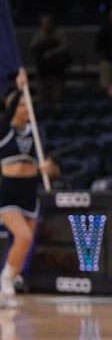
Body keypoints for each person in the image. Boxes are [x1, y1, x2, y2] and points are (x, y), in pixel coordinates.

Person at [0, 69, 57, 307]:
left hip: (29, 191)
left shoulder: (36, 133)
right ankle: (4, 280)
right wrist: (20, 86)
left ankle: (10, 281)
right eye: (21, 104)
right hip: (8, 191)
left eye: (27, 105)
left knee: (26, 242)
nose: (25, 108)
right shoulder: (4, 131)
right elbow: (10, 111)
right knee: (22, 236)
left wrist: (49, 167)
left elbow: (53, 167)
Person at [30, 13, 71, 103]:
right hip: (43, 71)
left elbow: (65, 47)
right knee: (43, 97)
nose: (45, 25)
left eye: (47, 22)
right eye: (43, 23)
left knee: (57, 97)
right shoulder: (39, 35)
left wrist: (52, 53)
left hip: (57, 71)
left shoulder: (59, 33)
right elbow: (33, 48)